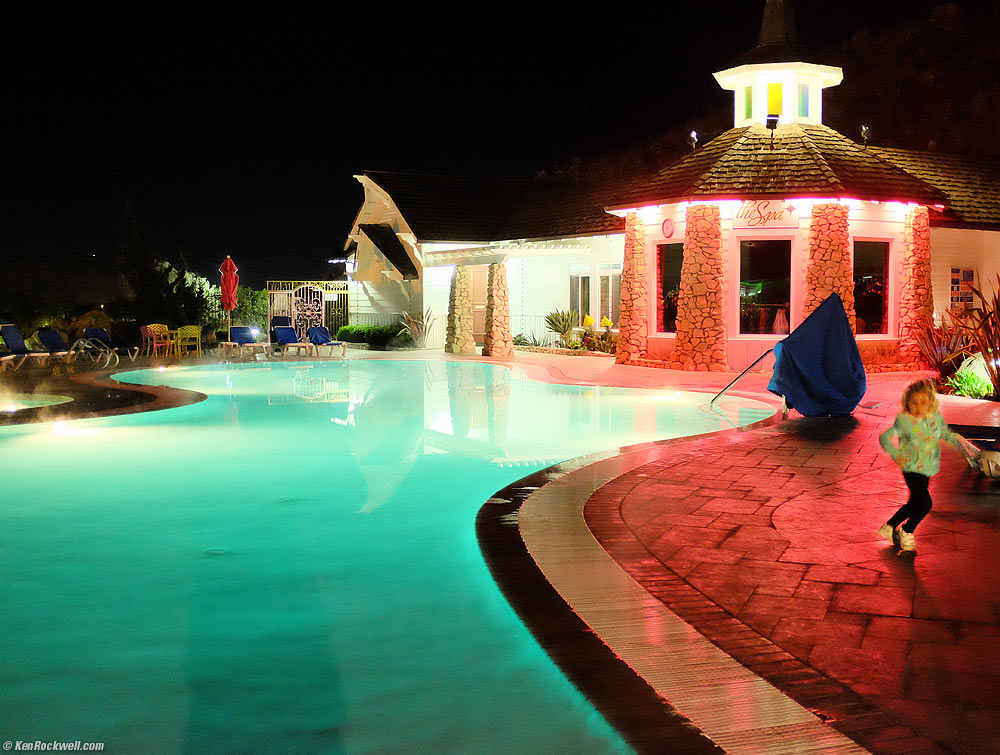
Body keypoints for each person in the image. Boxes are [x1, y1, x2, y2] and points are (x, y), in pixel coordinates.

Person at [877, 378, 979, 550]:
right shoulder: (904, 420)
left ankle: (889, 527)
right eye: (914, 402)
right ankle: (907, 531)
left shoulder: (935, 420)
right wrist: (895, 454)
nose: (918, 406)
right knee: (925, 503)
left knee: (915, 503)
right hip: (910, 468)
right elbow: (885, 437)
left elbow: (945, 433)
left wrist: (958, 440)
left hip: (926, 469)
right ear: (907, 403)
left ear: (930, 403)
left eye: (923, 402)